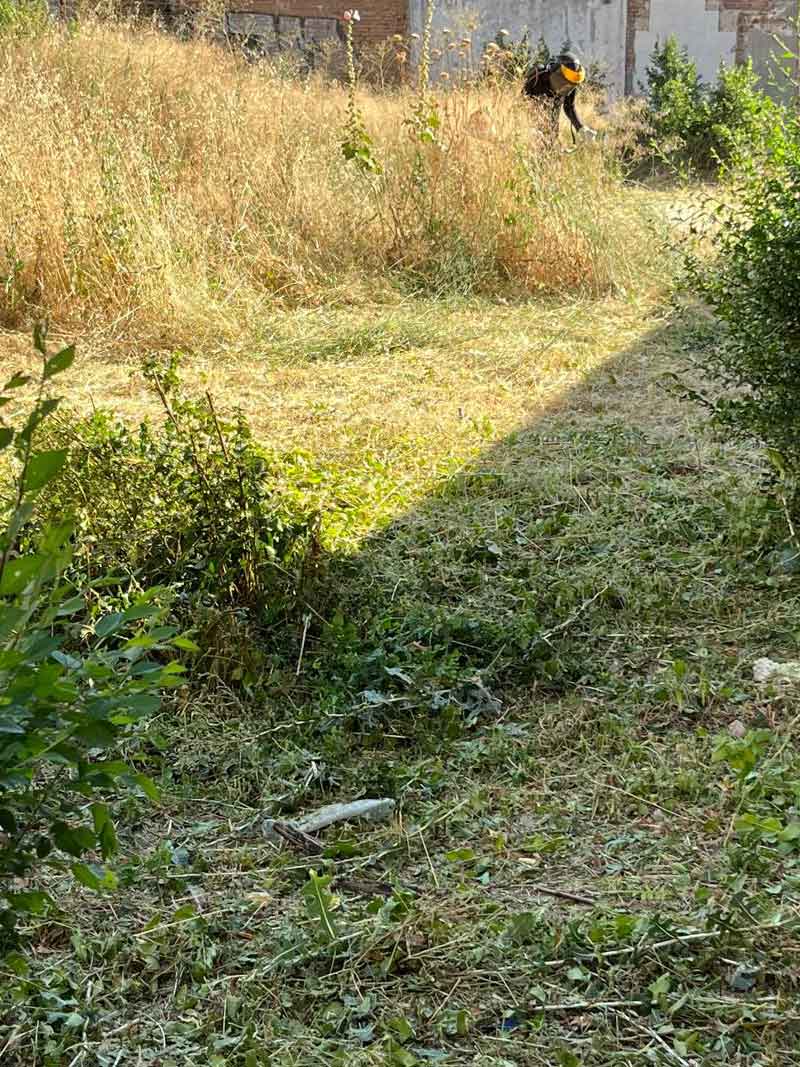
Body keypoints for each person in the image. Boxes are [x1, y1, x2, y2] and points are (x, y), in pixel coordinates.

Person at [523, 51, 597, 142]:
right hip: (528, 131)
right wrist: (527, 126)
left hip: (551, 130)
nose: (566, 86)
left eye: (571, 85)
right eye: (565, 82)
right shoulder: (539, 76)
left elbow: (569, 107)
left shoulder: (571, 83)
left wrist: (581, 128)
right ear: (557, 72)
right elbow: (521, 101)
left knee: (549, 150)